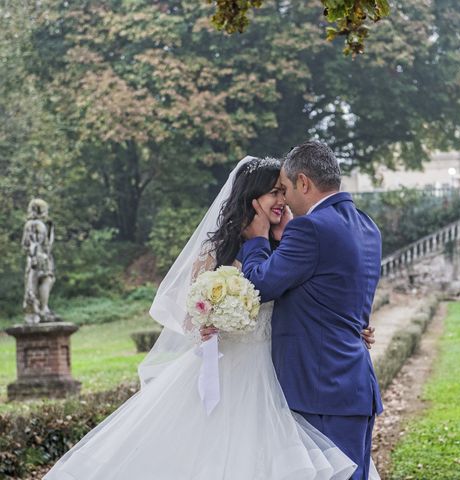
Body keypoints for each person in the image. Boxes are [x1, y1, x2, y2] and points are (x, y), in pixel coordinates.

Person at [44, 156, 379, 479]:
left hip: (282, 380)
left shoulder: (291, 240)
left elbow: (307, 295)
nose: (283, 199)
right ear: (251, 198)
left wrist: (351, 326)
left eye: (284, 189)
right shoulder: (218, 250)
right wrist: (207, 325)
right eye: (274, 191)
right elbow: (196, 315)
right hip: (242, 374)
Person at [236, 142, 384, 480]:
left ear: (303, 183)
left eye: (285, 189)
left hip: (320, 391)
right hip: (356, 387)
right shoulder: (367, 226)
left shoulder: (309, 229)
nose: (284, 199)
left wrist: (257, 239)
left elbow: (260, 286)